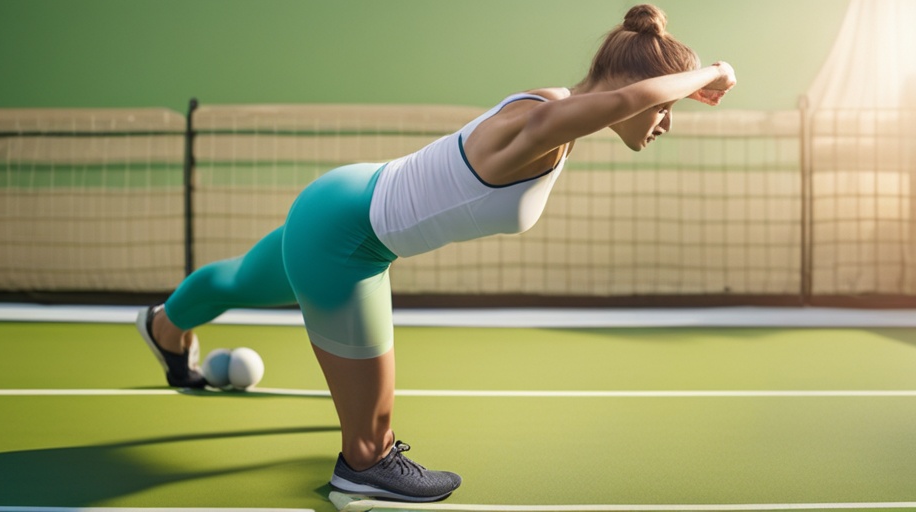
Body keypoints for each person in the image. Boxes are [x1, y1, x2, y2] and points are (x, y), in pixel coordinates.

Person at [135, 3, 736, 503]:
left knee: (242, 280)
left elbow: (610, 105)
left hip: (341, 200)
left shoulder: (550, 110)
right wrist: (708, 71)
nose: (665, 123)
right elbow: (615, 105)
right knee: (366, 449)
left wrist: (686, 82)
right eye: (664, 107)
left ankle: (164, 326)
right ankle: (364, 469)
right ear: (635, 90)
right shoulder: (547, 121)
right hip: (348, 239)